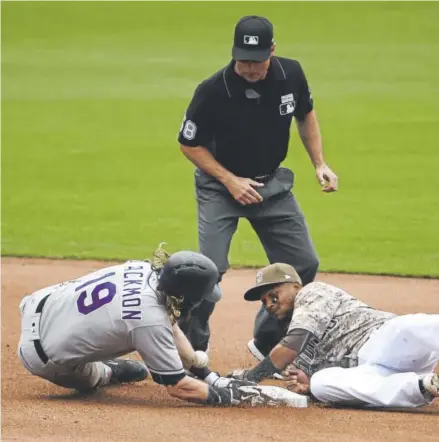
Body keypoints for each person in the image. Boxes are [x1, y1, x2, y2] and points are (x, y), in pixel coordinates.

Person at [177, 15, 338, 358]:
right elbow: (188, 143)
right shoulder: (212, 90)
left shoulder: (290, 73)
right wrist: (230, 181)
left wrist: (319, 162)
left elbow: (306, 114)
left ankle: (267, 340)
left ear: (273, 51)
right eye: (244, 60)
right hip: (220, 188)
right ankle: (192, 348)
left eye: (257, 60)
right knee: (208, 270)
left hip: (271, 186)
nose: (250, 68)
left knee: (303, 265)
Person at [17, 246, 305, 408]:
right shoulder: (147, 319)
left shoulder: (144, 269)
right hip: (39, 355)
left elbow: (164, 319)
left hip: (40, 302)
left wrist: (206, 372)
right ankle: (102, 370)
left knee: (119, 333)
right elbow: (179, 387)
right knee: (93, 379)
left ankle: (96, 356)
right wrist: (226, 394)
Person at [227, 263, 439, 408]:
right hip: (371, 370)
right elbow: (335, 378)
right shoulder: (297, 352)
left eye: (274, 295)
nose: (270, 305)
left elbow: (291, 344)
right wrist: (308, 385)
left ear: (295, 286)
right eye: (264, 302)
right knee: (321, 384)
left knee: (405, 328)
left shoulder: (312, 293)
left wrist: (250, 378)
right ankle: (425, 385)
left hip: (386, 342)